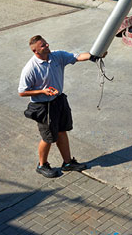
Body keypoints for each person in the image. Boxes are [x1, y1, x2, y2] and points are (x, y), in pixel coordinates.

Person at [18, 35, 105, 178]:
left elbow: (77, 57)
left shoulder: (57, 56)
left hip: (59, 101)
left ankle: (68, 162)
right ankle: (42, 165)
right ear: (36, 51)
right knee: (48, 138)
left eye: (46, 43)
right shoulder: (30, 68)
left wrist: (94, 56)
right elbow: (22, 92)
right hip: (43, 106)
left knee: (62, 131)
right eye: (43, 46)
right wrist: (42, 91)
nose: (47, 46)